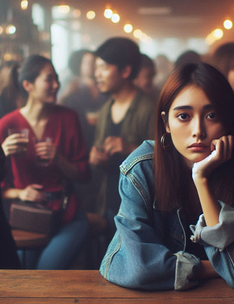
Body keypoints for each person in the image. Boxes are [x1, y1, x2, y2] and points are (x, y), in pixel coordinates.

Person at [100, 62, 234, 290]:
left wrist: (201, 179)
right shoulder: (141, 168)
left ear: (229, 121)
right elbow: (136, 267)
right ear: (166, 123)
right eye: (184, 116)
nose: (198, 131)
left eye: (212, 115)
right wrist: (208, 268)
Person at [0, 55, 90, 269]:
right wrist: (20, 192)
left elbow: (85, 174)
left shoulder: (68, 118)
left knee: (46, 271)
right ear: (28, 85)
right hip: (27, 217)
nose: (56, 85)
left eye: (56, 79)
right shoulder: (7, 124)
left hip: (67, 215)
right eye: (49, 80)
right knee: (23, 274)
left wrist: (59, 159)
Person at [89, 37, 155, 238]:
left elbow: (169, 157)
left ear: (125, 71)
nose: (97, 74)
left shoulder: (149, 109)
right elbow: (99, 150)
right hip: (109, 202)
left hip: (142, 208)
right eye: (96, 67)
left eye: (103, 67)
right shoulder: (105, 109)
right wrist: (94, 156)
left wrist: (130, 148)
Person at [59, 49, 107, 151]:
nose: (90, 65)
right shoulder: (73, 89)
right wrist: (66, 94)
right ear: (80, 65)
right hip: (79, 140)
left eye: (93, 62)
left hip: (103, 141)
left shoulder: (106, 88)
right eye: (87, 62)